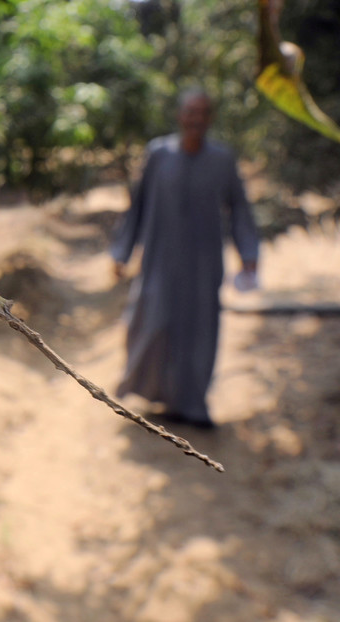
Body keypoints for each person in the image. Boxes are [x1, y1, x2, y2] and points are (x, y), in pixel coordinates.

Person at [110, 89, 260, 428]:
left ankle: (192, 406)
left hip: (204, 265)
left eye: (203, 113)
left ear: (210, 119)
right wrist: (122, 251)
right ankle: (150, 392)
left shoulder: (223, 160)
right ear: (180, 116)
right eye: (190, 112)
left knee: (199, 333)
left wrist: (248, 254)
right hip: (161, 260)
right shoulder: (158, 154)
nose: (196, 119)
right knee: (153, 324)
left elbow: (239, 208)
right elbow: (139, 206)